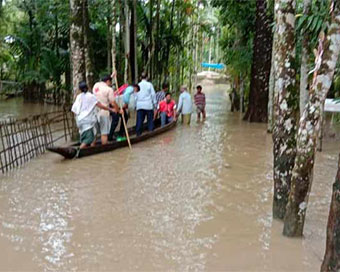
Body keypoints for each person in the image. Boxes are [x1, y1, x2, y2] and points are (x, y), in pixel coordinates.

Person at [72, 82, 114, 149]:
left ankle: (89, 149)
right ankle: (79, 150)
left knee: (88, 136)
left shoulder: (78, 97)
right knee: (89, 138)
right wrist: (111, 109)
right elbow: (100, 105)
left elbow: (74, 110)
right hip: (87, 121)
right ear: (88, 88)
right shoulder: (90, 96)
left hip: (79, 120)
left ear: (80, 89)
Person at [92, 75, 119, 145]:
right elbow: (113, 103)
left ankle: (91, 146)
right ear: (108, 81)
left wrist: (112, 75)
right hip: (104, 112)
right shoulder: (109, 89)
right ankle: (104, 148)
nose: (110, 84)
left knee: (95, 133)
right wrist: (118, 109)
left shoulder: (96, 85)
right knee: (104, 133)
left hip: (94, 112)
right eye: (110, 82)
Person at [135, 72, 157, 136]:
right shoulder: (149, 85)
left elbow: (135, 96)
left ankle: (138, 134)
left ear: (140, 78)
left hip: (140, 105)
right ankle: (150, 132)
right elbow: (153, 95)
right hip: (148, 105)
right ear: (147, 77)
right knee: (150, 120)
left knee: (139, 121)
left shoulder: (138, 85)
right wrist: (155, 105)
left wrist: (136, 106)